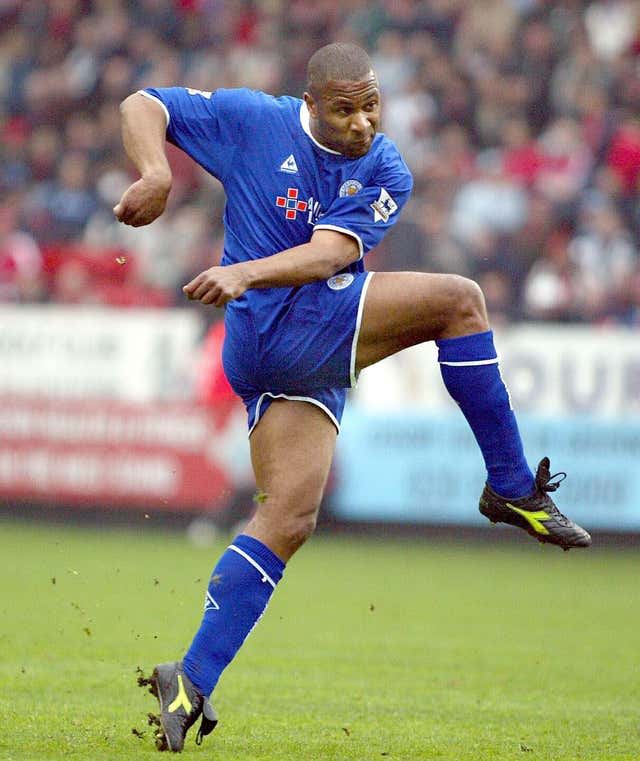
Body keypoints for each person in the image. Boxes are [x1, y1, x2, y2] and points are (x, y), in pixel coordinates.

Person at [114, 42, 591, 753]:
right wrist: (156, 170)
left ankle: (189, 677)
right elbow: (141, 103)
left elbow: (334, 253)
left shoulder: (384, 164)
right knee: (461, 302)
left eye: (372, 106)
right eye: (346, 109)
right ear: (311, 104)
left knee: (288, 517)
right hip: (288, 327)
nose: (363, 123)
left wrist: (244, 272)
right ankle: (513, 485)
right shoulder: (253, 119)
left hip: (294, 349)